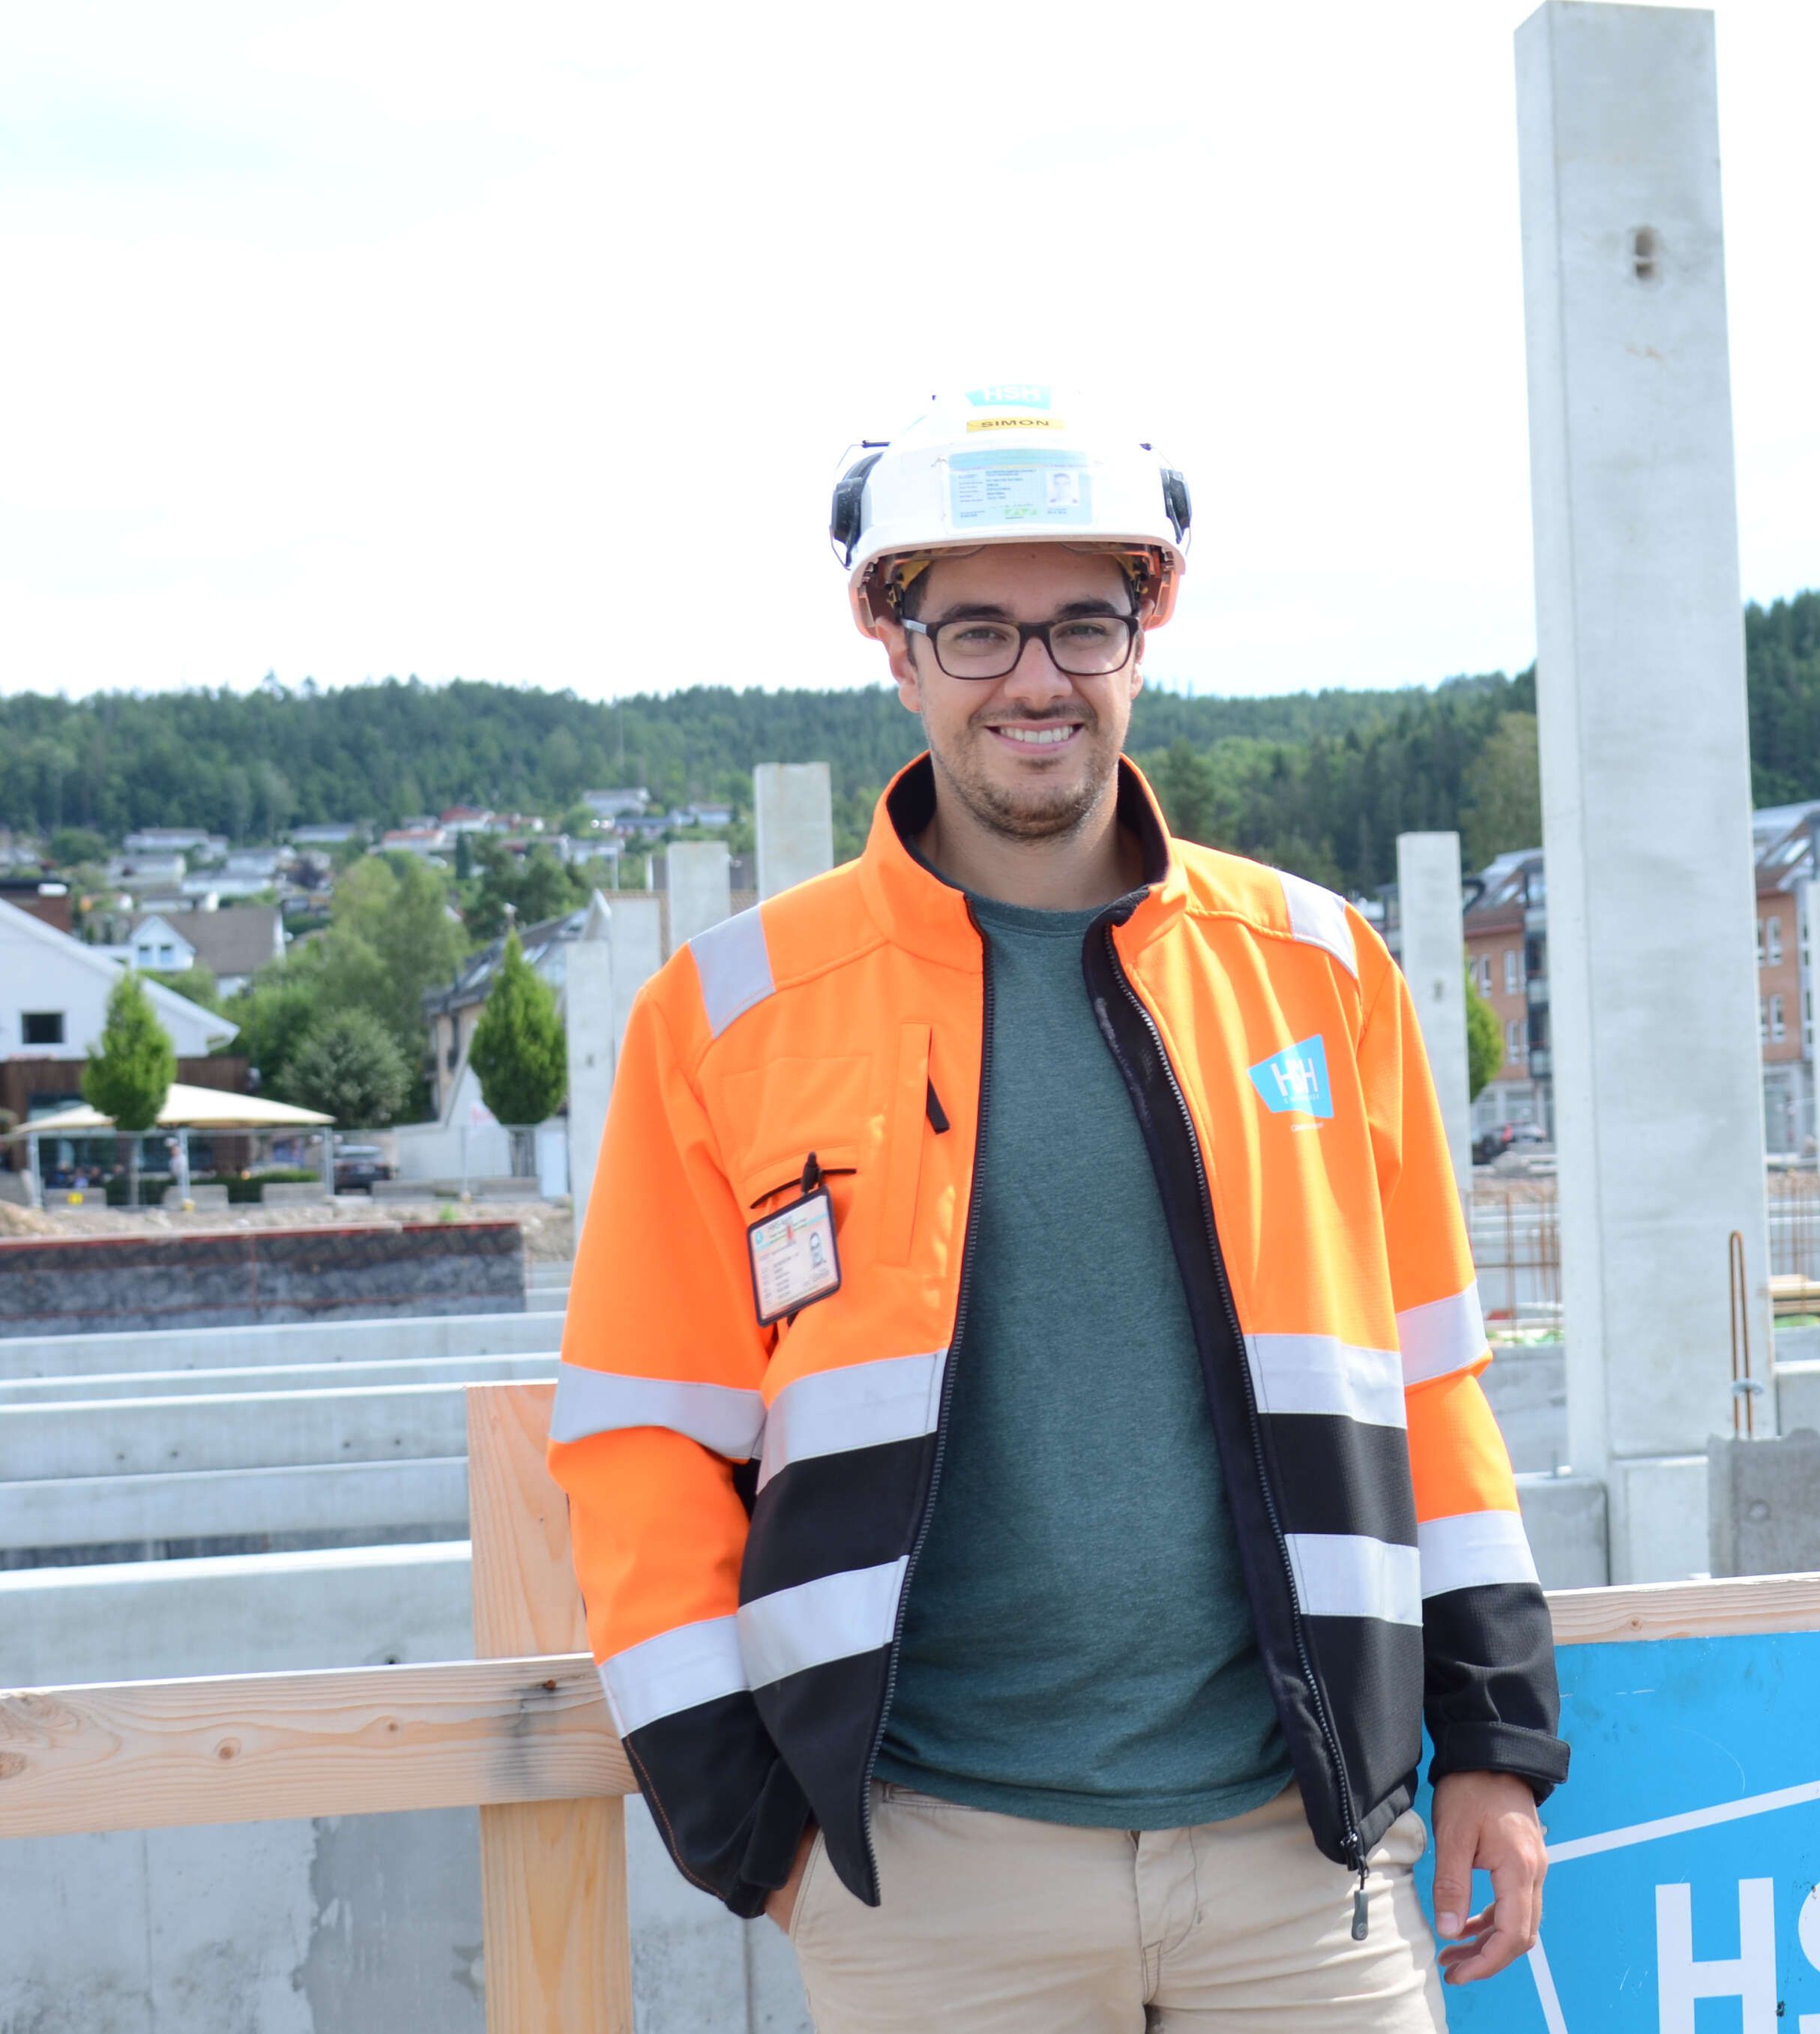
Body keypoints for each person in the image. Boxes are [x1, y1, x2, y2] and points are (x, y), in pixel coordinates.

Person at [548, 385, 1564, 2032]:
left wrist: (1496, 1743)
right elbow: (641, 1441)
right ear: (895, 648)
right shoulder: (729, 1014)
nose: (1035, 678)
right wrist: (754, 1830)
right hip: (933, 1875)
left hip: (1302, 1858)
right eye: (976, 631)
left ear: (1144, 634)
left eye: (1083, 623)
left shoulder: (1318, 971)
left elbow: (1430, 1382)